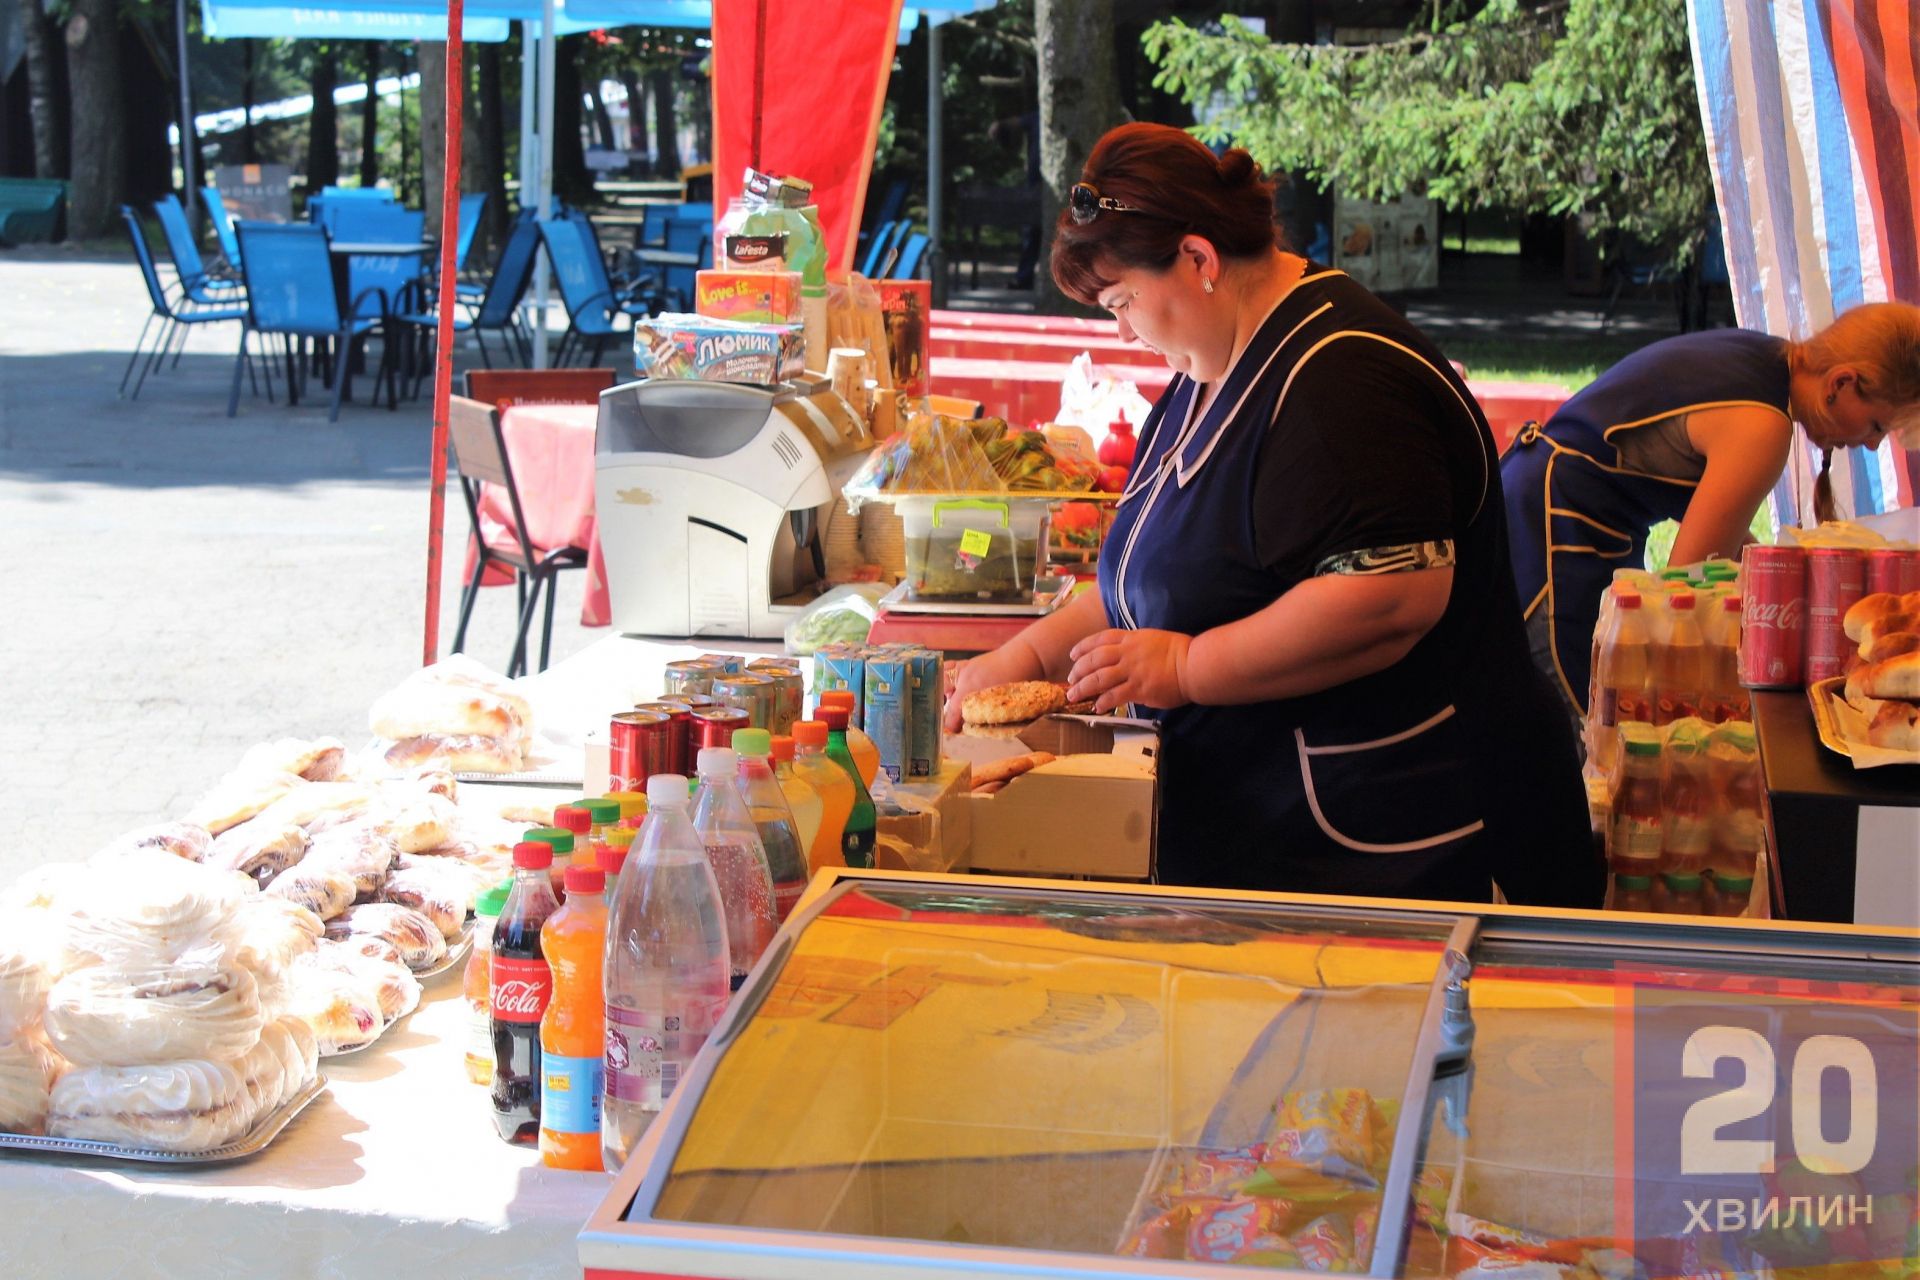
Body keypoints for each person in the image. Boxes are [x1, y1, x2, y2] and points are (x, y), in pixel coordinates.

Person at [943, 123, 1598, 907]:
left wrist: (1185, 668)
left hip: (1397, 850)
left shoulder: (1344, 378)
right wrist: (1025, 659)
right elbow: (1151, 588)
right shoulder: (1209, 366)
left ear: (1197, 259)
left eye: (1121, 302)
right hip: (1265, 840)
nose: (1120, 331)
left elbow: (1389, 599)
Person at [1502, 304, 1920, 718]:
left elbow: (1723, 534)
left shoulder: (1765, 360)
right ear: (1842, 382)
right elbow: (1687, 583)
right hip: (1555, 536)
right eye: (1878, 426)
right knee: (1589, 727)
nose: (1871, 444)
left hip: (1555, 512)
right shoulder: (1763, 425)